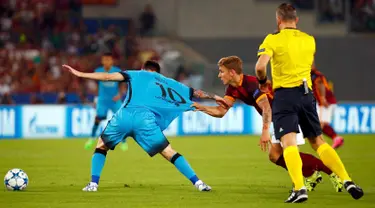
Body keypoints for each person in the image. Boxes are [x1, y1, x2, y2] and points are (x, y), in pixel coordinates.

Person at [255, 3, 363, 203]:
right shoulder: (309, 40)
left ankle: (299, 188)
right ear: (296, 20)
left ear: (278, 20)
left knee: (289, 144)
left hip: (285, 96)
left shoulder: (273, 39)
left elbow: (260, 66)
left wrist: (262, 83)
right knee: (318, 142)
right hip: (307, 95)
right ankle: (347, 179)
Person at [62, 61, 227, 192]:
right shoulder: (169, 82)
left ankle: (93, 184)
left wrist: (80, 73)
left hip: (124, 116)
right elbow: (197, 93)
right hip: (146, 121)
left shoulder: (136, 74)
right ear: (157, 72)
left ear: (143, 69)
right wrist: (215, 97)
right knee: (169, 152)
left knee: (101, 146)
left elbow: (107, 77)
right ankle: (199, 183)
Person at [192, 56, 343, 192]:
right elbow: (221, 111)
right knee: (276, 155)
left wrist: (265, 131)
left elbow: (266, 107)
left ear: (232, 72)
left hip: (288, 114)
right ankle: (312, 174)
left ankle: (331, 174)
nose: (219, 75)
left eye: (221, 71)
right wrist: (201, 107)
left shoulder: (251, 83)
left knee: (286, 152)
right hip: (278, 117)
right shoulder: (232, 89)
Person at [84, 52, 128, 151]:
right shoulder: (98, 71)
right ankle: (91, 139)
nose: (107, 61)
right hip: (102, 100)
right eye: (105, 59)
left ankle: (124, 142)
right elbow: (95, 85)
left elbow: (123, 84)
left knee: (122, 120)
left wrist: (120, 94)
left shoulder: (117, 71)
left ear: (112, 61)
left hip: (114, 100)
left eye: (109, 59)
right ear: (102, 61)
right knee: (98, 119)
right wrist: (96, 98)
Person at [311, 65, 344, 149]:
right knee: (321, 124)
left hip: (325, 102)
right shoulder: (315, 75)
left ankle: (324, 146)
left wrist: (323, 98)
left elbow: (320, 84)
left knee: (319, 125)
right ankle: (336, 138)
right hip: (326, 102)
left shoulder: (316, 76)